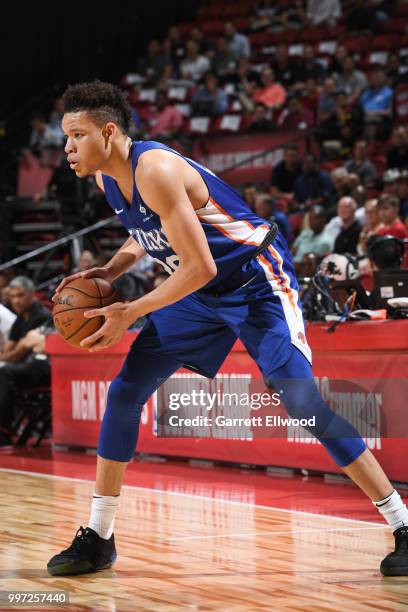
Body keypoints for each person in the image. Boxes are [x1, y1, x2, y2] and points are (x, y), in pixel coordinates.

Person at [48, 80, 408, 578]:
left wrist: (130, 311)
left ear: (108, 133)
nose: (66, 146)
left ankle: (402, 523)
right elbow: (144, 233)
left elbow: (200, 268)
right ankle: (99, 536)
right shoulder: (108, 177)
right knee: (126, 390)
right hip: (200, 291)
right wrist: (111, 271)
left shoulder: (154, 168)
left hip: (254, 280)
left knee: (302, 403)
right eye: (64, 136)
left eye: (76, 135)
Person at [0, 277, 52, 446]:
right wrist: (20, 345)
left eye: (20, 295)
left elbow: (15, 354)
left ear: (32, 295)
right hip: (24, 365)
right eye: (13, 296)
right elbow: (10, 350)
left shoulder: (41, 315)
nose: (16, 300)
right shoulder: (20, 318)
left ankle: (3, 432)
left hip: (44, 366)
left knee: (4, 372)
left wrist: (18, 348)